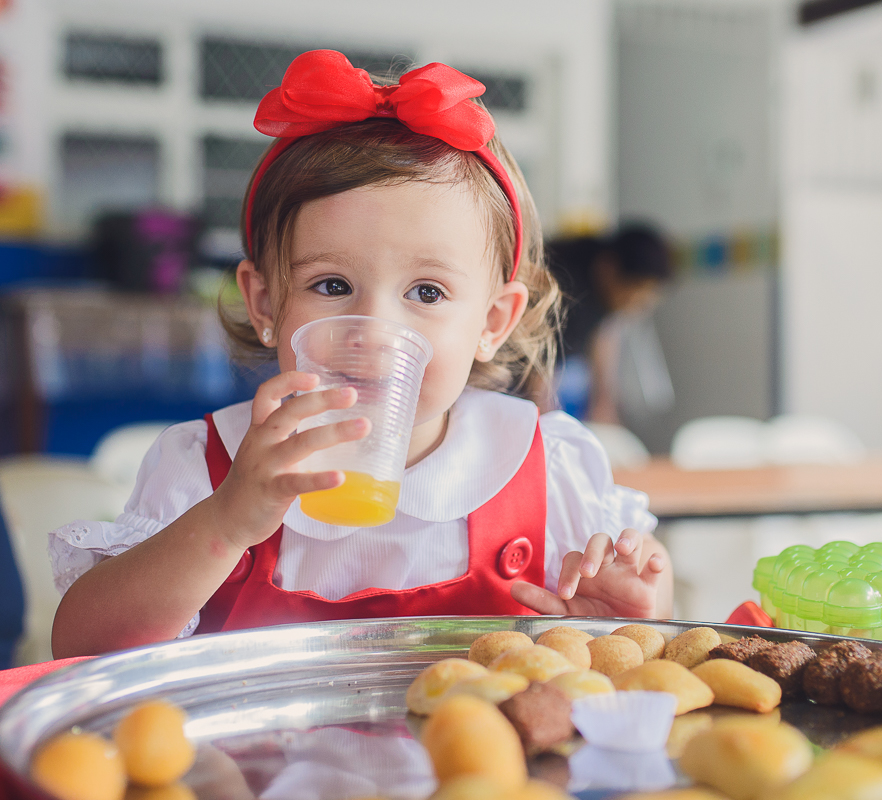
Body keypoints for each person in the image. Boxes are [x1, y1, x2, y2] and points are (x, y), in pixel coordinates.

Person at [48, 51, 672, 658]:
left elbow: (621, 651)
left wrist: (631, 617)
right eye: (332, 286)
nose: (373, 330)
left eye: (426, 292)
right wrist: (226, 523)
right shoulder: (204, 471)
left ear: (491, 323)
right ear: (265, 306)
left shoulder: (546, 468)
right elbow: (81, 646)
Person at [548, 226, 673, 424]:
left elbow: (605, 335)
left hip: (558, 371)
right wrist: (546, 417)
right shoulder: (561, 284)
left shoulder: (608, 297)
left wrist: (604, 399)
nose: (639, 305)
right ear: (609, 267)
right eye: (637, 290)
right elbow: (537, 356)